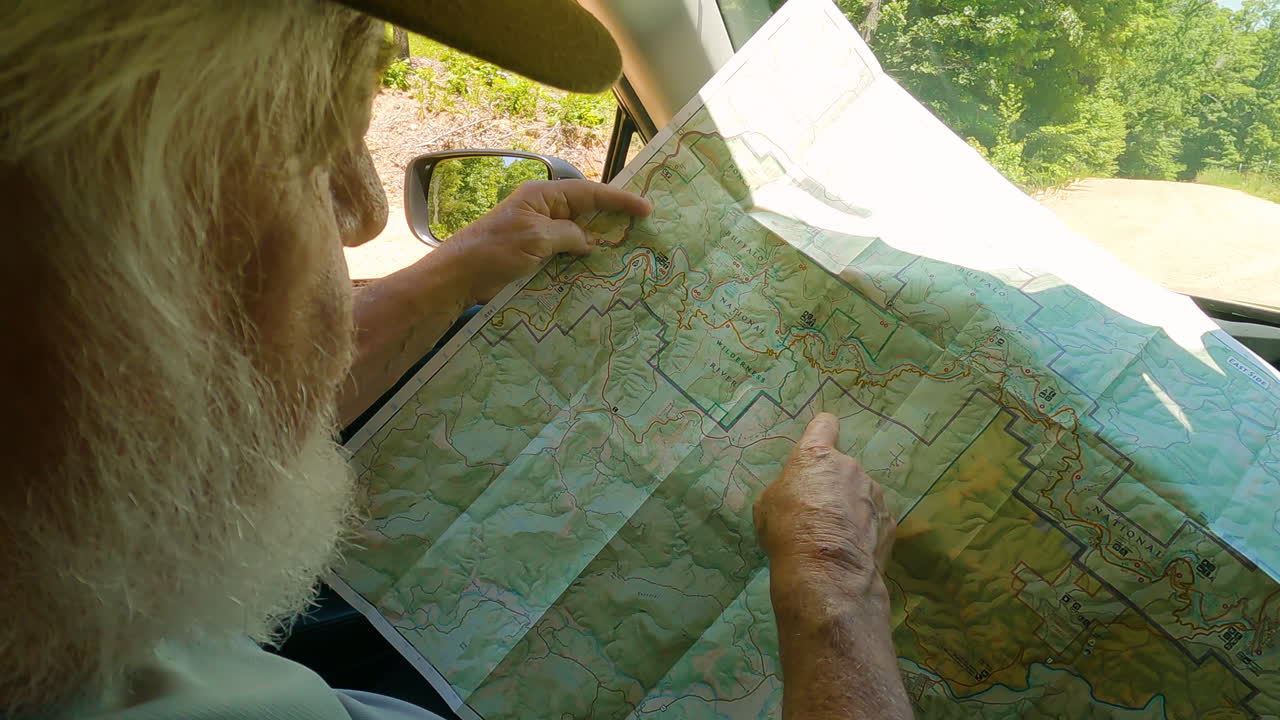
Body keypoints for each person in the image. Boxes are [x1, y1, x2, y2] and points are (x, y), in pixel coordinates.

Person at [0, 1, 913, 718]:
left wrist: (440, 280)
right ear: (79, 255)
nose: (360, 213)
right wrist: (835, 613)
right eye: (319, 149)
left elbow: (166, 416)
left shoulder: (66, 545)